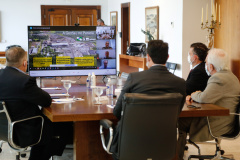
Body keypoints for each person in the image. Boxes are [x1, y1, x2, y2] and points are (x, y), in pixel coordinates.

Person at [110, 40, 186, 160]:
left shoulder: (134, 78)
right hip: (164, 143)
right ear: (167, 57)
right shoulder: (180, 83)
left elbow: (117, 112)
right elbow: (177, 113)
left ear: (148, 57)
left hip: (132, 143)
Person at [0, 46, 72, 160]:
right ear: (25, 63)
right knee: (65, 124)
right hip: (24, 130)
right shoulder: (24, 80)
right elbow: (46, 101)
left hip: (4, 129)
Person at [177, 48, 240, 160]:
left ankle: (177, 156)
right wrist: (200, 94)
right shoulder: (231, 76)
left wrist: (193, 95)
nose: (205, 65)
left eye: (206, 62)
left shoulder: (218, 78)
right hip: (229, 121)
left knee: (179, 121)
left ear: (211, 66)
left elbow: (204, 98)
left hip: (218, 124)